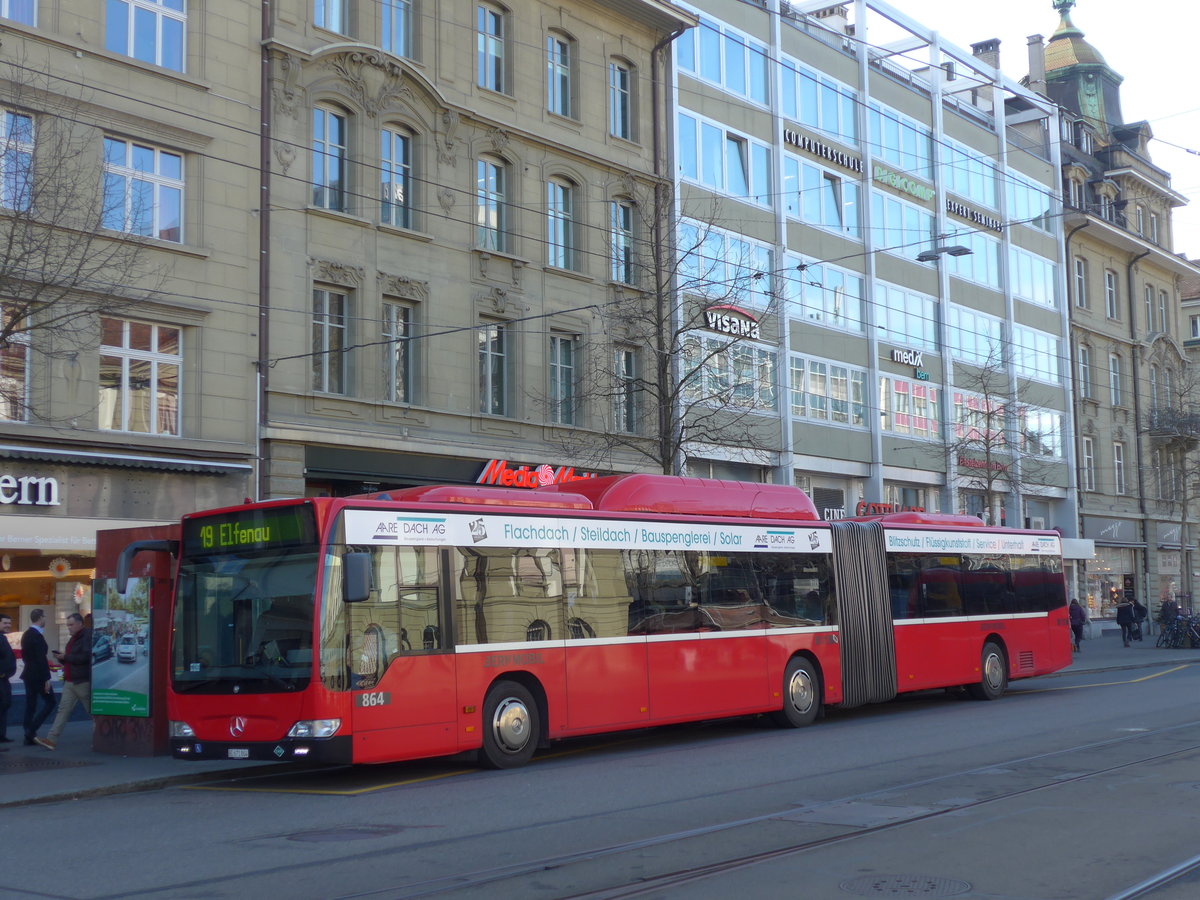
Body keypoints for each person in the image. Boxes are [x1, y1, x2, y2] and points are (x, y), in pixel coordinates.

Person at [38, 612, 92, 751]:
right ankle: (51, 739)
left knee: (92, 711)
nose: (69, 627)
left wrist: (66, 657)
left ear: (80, 624)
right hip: (70, 680)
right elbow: (74, 657)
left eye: (71, 624)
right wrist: (62, 658)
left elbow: (85, 657)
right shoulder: (74, 638)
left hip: (81, 680)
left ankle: (103, 737)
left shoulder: (86, 636)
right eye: (68, 625)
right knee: (63, 710)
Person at [20, 607, 57, 745]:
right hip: (38, 676)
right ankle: (31, 730)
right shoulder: (37, 636)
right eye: (45, 617)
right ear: (41, 618)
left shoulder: (27, 634)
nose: (46, 619)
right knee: (51, 702)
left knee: (31, 704)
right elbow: (41, 659)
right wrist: (47, 678)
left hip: (28, 674)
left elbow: (25, 656)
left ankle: (28, 733)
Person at [0, 614, 16, 749]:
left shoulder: (2, 638)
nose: (8, 625)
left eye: (9, 623)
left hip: (4, 679)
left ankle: (1, 736)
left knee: (5, 705)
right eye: (5, 623)